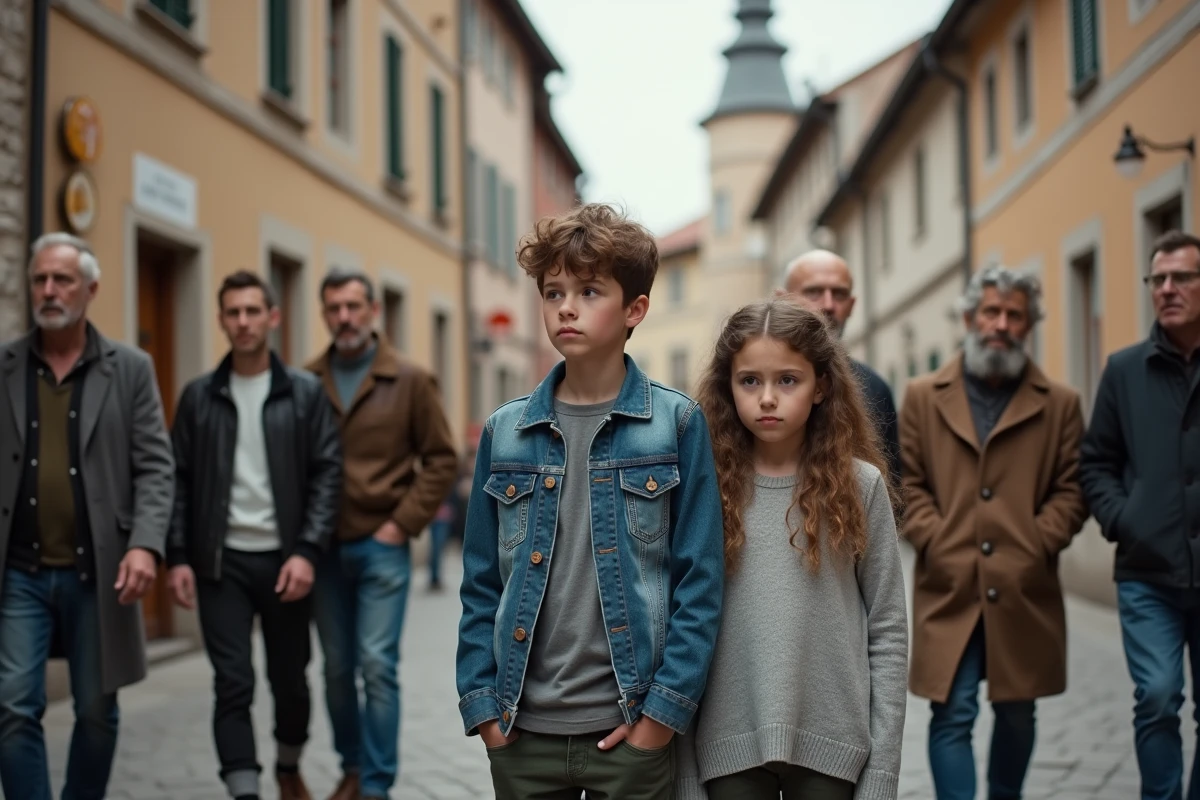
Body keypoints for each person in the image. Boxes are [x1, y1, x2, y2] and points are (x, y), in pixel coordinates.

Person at [455, 203, 725, 800]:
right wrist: (483, 710)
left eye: (588, 290)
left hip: (628, 726)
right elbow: (479, 582)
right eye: (552, 293)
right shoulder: (505, 432)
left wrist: (660, 719)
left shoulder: (675, 424)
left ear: (635, 309)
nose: (566, 307)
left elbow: (699, 584)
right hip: (521, 730)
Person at [675, 299, 908, 799]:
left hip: (834, 745)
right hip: (727, 744)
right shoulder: (704, 488)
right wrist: (686, 774)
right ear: (727, 387)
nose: (767, 398)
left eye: (788, 380)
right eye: (750, 381)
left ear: (822, 385)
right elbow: (680, 626)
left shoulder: (859, 486)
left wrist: (883, 773)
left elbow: (888, 629)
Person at [899, 265, 1087, 800]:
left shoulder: (1061, 404)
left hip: (1024, 585)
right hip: (950, 584)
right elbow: (907, 483)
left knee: (1018, 712)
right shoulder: (922, 396)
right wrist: (935, 538)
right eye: (991, 312)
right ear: (969, 318)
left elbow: (1072, 491)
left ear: (1030, 325)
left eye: (1014, 315)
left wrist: (1037, 543)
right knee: (952, 711)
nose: (1000, 324)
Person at [0, 233, 174, 800]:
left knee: (97, 711)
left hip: (100, 574)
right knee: (12, 707)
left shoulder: (130, 369)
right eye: (40, 279)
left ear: (91, 288)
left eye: (63, 279)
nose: (49, 291)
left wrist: (146, 544)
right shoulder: (4, 366)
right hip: (18, 573)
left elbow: (155, 466)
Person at [166, 271, 343, 800]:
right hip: (221, 564)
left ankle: (288, 764)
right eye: (232, 313)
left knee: (290, 680)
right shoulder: (198, 398)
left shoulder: (305, 393)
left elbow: (327, 474)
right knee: (233, 681)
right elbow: (178, 479)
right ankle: (243, 787)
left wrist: (308, 552)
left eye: (251, 311)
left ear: (272, 317)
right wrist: (176, 556)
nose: (242, 322)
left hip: (287, 561)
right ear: (221, 319)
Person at [306, 267, 458, 800]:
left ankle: (375, 786)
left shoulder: (410, 380)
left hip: (382, 547)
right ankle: (350, 766)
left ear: (372, 311)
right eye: (333, 308)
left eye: (353, 306)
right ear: (324, 314)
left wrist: (403, 524)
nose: (344, 317)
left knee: (376, 667)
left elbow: (442, 459)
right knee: (335, 669)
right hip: (323, 550)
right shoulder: (308, 379)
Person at [1080, 229, 1200, 800]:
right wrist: (1125, 520)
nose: (1168, 289)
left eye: (1183, 278)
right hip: (1148, 572)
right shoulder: (1124, 371)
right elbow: (1096, 462)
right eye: (1159, 279)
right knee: (1156, 696)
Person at [782, 250, 900, 486]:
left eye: (839, 294)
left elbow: (892, 489)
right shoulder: (750, 385)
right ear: (782, 300)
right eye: (813, 291)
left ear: (852, 304)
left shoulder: (875, 389)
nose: (828, 305)